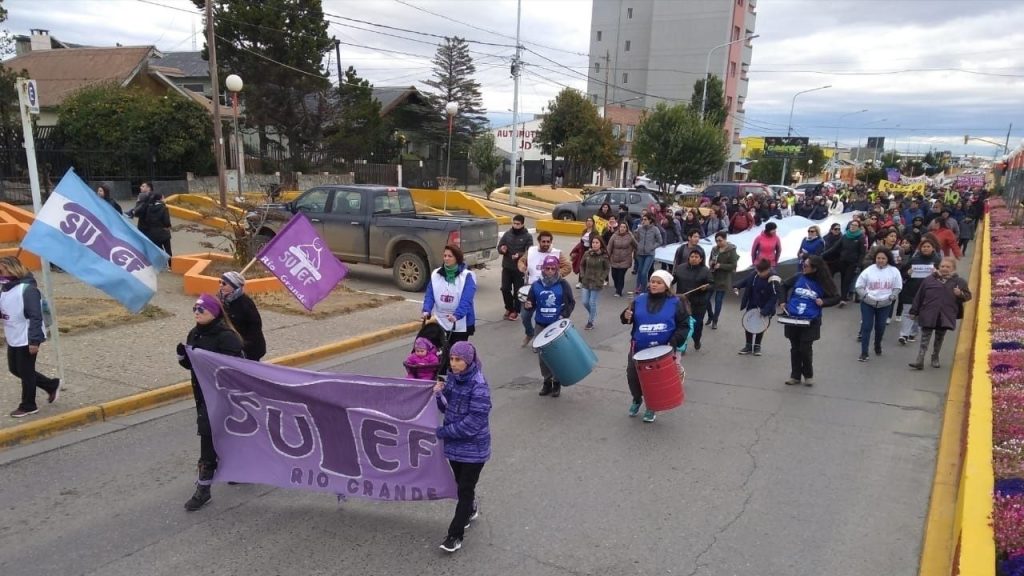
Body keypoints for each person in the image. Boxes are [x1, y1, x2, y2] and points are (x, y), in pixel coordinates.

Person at [177, 293, 244, 511]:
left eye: (201, 310)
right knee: (218, 436)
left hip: (223, 398)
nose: (196, 313)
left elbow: (236, 370)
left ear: (213, 312)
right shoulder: (194, 334)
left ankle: (203, 489)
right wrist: (183, 358)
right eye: (195, 309)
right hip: (202, 396)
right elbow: (192, 366)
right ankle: (236, 469)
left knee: (209, 440)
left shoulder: (227, 338)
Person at [432, 341, 491, 553]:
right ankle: (471, 508)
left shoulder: (479, 386)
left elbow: (473, 423)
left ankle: (454, 536)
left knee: (464, 490)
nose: (454, 364)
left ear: (468, 361)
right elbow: (445, 408)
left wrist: (443, 433)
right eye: (452, 359)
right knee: (461, 485)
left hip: (474, 450)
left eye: (458, 360)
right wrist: (439, 394)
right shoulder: (453, 380)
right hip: (455, 447)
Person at [620, 270, 692, 423]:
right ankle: (636, 399)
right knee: (633, 377)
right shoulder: (639, 300)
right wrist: (625, 317)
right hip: (638, 348)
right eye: (652, 281)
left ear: (666, 285)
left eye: (658, 282)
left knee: (654, 382)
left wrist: (673, 341)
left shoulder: (676, 302)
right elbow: (627, 319)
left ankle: (651, 407)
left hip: (661, 351)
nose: (654, 284)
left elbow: (684, 325)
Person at [0, 256, 60, 418]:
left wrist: (34, 341)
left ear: (12, 269)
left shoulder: (28, 290)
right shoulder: (5, 288)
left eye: (2, 271)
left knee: (26, 372)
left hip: (26, 337)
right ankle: (51, 384)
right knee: (15, 369)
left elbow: (35, 316)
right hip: (14, 335)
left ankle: (28, 405)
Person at [779, 255, 840, 386]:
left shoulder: (824, 282)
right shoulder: (798, 277)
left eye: (806, 266)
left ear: (815, 269)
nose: (803, 267)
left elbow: (836, 297)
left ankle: (808, 375)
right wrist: (783, 301)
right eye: (803, 264)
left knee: (805, 348)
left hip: (811, 321)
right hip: (794, 318)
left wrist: (823, 302)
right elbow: (783, 285)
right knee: (795, 348)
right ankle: (795, 376)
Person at [524, 255, 575, 397]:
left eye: (553, 268)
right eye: (548, 268)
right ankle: (546, 382)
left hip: (556, 325)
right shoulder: (536, 285)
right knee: (543, 356)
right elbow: (530, 303)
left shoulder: (563, 284)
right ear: (543, 269)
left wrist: (563, 315)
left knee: (558, 355)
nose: (550, 271)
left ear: (557, 269)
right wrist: (528, 306)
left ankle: (557, 382)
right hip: (541, 324)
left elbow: (571, 303)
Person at [908, 258, 971, 370]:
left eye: (948, 267)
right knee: (925, 338)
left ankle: (935, 356)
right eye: (942, 266)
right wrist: (914, 311)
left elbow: (968, 296)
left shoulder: (959, 282)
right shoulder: (929, 280)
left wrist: (960, 293)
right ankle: (920, 360)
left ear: (953, 269)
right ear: (938, 267)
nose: (944, 269)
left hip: (945, 315)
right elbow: (919, 296)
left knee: (939, 337)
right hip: (928, 312)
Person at [423, 245, 477, 370]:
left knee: (457, 354)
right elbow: (430, 293)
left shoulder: (467, 276)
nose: (446, 259)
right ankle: (441, 378)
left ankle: (460, 376)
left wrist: (457, 315)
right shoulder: (436, 274)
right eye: (445, 256)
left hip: (459, 321)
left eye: (450, 256)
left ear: (457, 258)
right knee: (441, 352)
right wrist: (426, 310)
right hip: (441, 319)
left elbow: (466, 300)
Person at [517, 232, 570, 346]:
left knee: (545, 317)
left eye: (548, 242)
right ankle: (530, 333)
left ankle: (545, 341)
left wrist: (555, 275)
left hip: (550, 290)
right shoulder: (531, 251)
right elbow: (521, 261)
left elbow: (568, 266)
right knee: (525, 315)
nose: (546, 244)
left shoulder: (557, 253)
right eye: (543, 241)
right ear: (539, 242)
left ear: (551, 242)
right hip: (532, 289)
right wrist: (522, 267)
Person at [854, 249, 903, 362]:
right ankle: (864, 352)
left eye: (883, 258)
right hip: (868, 303)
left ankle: (877, 344)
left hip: (885, 304)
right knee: (866, 326)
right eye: (878, 258)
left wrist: (892, 296)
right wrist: (865, 296)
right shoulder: (868, 271)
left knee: (880, 327)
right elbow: (859, 286)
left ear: (888, 259)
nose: (880, 260)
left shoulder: (894, 271)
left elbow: (897, 287)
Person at [733, 259, 779, 356]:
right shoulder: (755, 274)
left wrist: (766, 310)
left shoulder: (774, 279)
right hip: (752, 304)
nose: (759, 274)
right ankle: (748, 345)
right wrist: (737, 286)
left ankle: (757, 346)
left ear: (769, 269)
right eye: (758, 271)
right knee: (748, 324)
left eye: (762, 272)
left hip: (764, 306)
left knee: (760, 326)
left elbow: (774, 296)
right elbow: (746, 281)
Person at [218, 271, 266, 361]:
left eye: (224, 283)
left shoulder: (246, 303)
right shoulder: (220, 300)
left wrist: (242, 346)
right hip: (228, 347)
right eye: (219, 282)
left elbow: (255, 328)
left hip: (247, 351)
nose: (220, 285)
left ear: (234, 286)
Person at [672, 249, 712, 350]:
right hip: (682, 302)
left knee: (697, 325)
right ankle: (683, 344)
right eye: (692, 256)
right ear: (689, 258)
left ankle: (697, 340)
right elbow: (672, 280)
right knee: (682, 325)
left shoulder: (705, 271)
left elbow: (712, 284)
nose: (694, 259)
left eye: (696, 257)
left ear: (701, 259)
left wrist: (706, 287)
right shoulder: (680, 268)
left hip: (698, 303)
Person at [497, 215, 532, 321]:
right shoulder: (507, 234)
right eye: (514, 223)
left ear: (522, 224)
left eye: (518, 224)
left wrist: (520, 255)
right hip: (507, 267)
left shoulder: (527, 236)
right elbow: (500, 246)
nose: (515, 226)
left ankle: (516, 311)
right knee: (505, 288)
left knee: (518, 291)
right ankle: (509, 308)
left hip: (519, 269)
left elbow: (530, 252)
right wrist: (502, 249)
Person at [824, 219, 867, 306]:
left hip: (852, 263)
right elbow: (834, 248)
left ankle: (843, 299)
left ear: (858, 227)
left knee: (846, 281)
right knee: (833, 275)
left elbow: (862, 253)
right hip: (842, 261)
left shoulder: (861, 238)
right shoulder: (845, 236)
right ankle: (831, 294)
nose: (853, 227)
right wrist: (822, 255)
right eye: (851, 225)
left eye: (855, 225)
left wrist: (859, 265)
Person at [707, 231, 737, 330]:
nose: (718, 243)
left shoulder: (731, 249)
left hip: (723, 278)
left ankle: (715, 320)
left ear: (725, 239)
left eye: (720, 240)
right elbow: (710, 260)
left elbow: (733, 265)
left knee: (718, 300)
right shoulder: (714, 249)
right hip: (713, 277)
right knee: (706, 299)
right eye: (716, 241)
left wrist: (721, 265)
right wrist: (711, 263)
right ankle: (711, 315)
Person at [579, 235, 610, 330]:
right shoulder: (587, 254)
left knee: (592, 302)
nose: (594, 244)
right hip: (586, 281)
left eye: (597, 243)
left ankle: (590, 321)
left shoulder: (604, 256)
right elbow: (582, 265)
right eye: (593, 242)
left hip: (597, 282)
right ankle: (593, 313)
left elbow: (607, 268)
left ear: (600, 244)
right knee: (585, 302)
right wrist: (583, 275)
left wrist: (602, 278)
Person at [632, 214, 662, 294]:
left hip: (649, 254)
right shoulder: (640, 229)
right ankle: (638, 286)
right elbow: (636, 238)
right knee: (640, 270)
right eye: (642, 219)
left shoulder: (655, 229)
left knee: (644, 272)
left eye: (645, 219)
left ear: (650, 220)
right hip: (640, 253)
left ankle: (644, 289)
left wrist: (652, 247)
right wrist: (638, 246)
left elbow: (660, 241)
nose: (643, 221)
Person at [136, 191, 173, 256]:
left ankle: (162, 264)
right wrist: (168, 226)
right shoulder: (163, 208)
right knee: (168, 250)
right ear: (161, 198)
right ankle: (170, 264)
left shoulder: (149, 208)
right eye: (163, 197)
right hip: (164, 233)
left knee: (159, 251)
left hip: (153, 234)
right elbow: (166, 221)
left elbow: (147, 220)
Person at [607, 222, 636, 298]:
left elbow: (636, 245)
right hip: (614, 259)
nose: (622, 228)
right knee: (614, 275)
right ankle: (617, 287)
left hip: (625, 260)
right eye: (621, 227)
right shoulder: (614, 236)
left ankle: (619, 291)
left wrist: (633, 253)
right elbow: (609, 247)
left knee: (621, 276)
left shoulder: (630, 236)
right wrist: (607, 256)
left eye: (624, 227)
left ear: (626, 229)